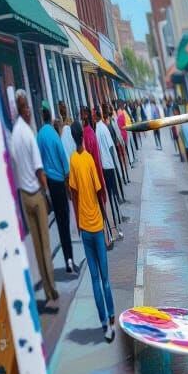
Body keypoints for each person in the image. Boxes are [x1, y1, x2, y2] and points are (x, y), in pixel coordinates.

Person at [68, 121, 115, 342]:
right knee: (105, 279)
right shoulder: (87, 160)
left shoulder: (73, 161)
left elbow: (74, 194)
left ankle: (104, 323)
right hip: (96, 226)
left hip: (84, 229)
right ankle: (113, 319)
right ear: (83, 138)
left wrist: (77, 223)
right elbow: (99, 193)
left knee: (95, 279)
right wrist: (106, 227)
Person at [11, 91, 57, 304]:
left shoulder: (14, 134)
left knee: (37, 248)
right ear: (22, 110)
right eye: (26, 107)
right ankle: (51, 290)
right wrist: (46, 193)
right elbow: (40, 171)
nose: (28, 110)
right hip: (36, 195)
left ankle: (47, 290)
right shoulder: (29, 134)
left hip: (23, 196)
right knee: (45, 245)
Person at [38, 104, 75, 274]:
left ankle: (67, 258)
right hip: (60, 183)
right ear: (50, 117)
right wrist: (68, 187)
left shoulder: (39, 136)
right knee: (65, 222)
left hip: (50, 185)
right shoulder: (54, 136)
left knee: (60, 224)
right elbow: (65, 163)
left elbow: (38, 163)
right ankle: (69, 260)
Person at [80, 106, 113, 248]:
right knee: (101, 208)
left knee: (99, 210)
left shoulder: (87, 135)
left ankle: (106, 239)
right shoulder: (91, 133)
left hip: (94, 177)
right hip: (98, 175)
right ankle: (108, 237)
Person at [94, 107, 124, 236]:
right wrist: (115, 163)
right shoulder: (103, 128)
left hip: (105, 166)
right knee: (113, 194)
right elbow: (111, 147)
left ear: (96, 117)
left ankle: (116, 223)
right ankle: (117, 222)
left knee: (110, 195)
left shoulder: (98, 130)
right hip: (110, 165)